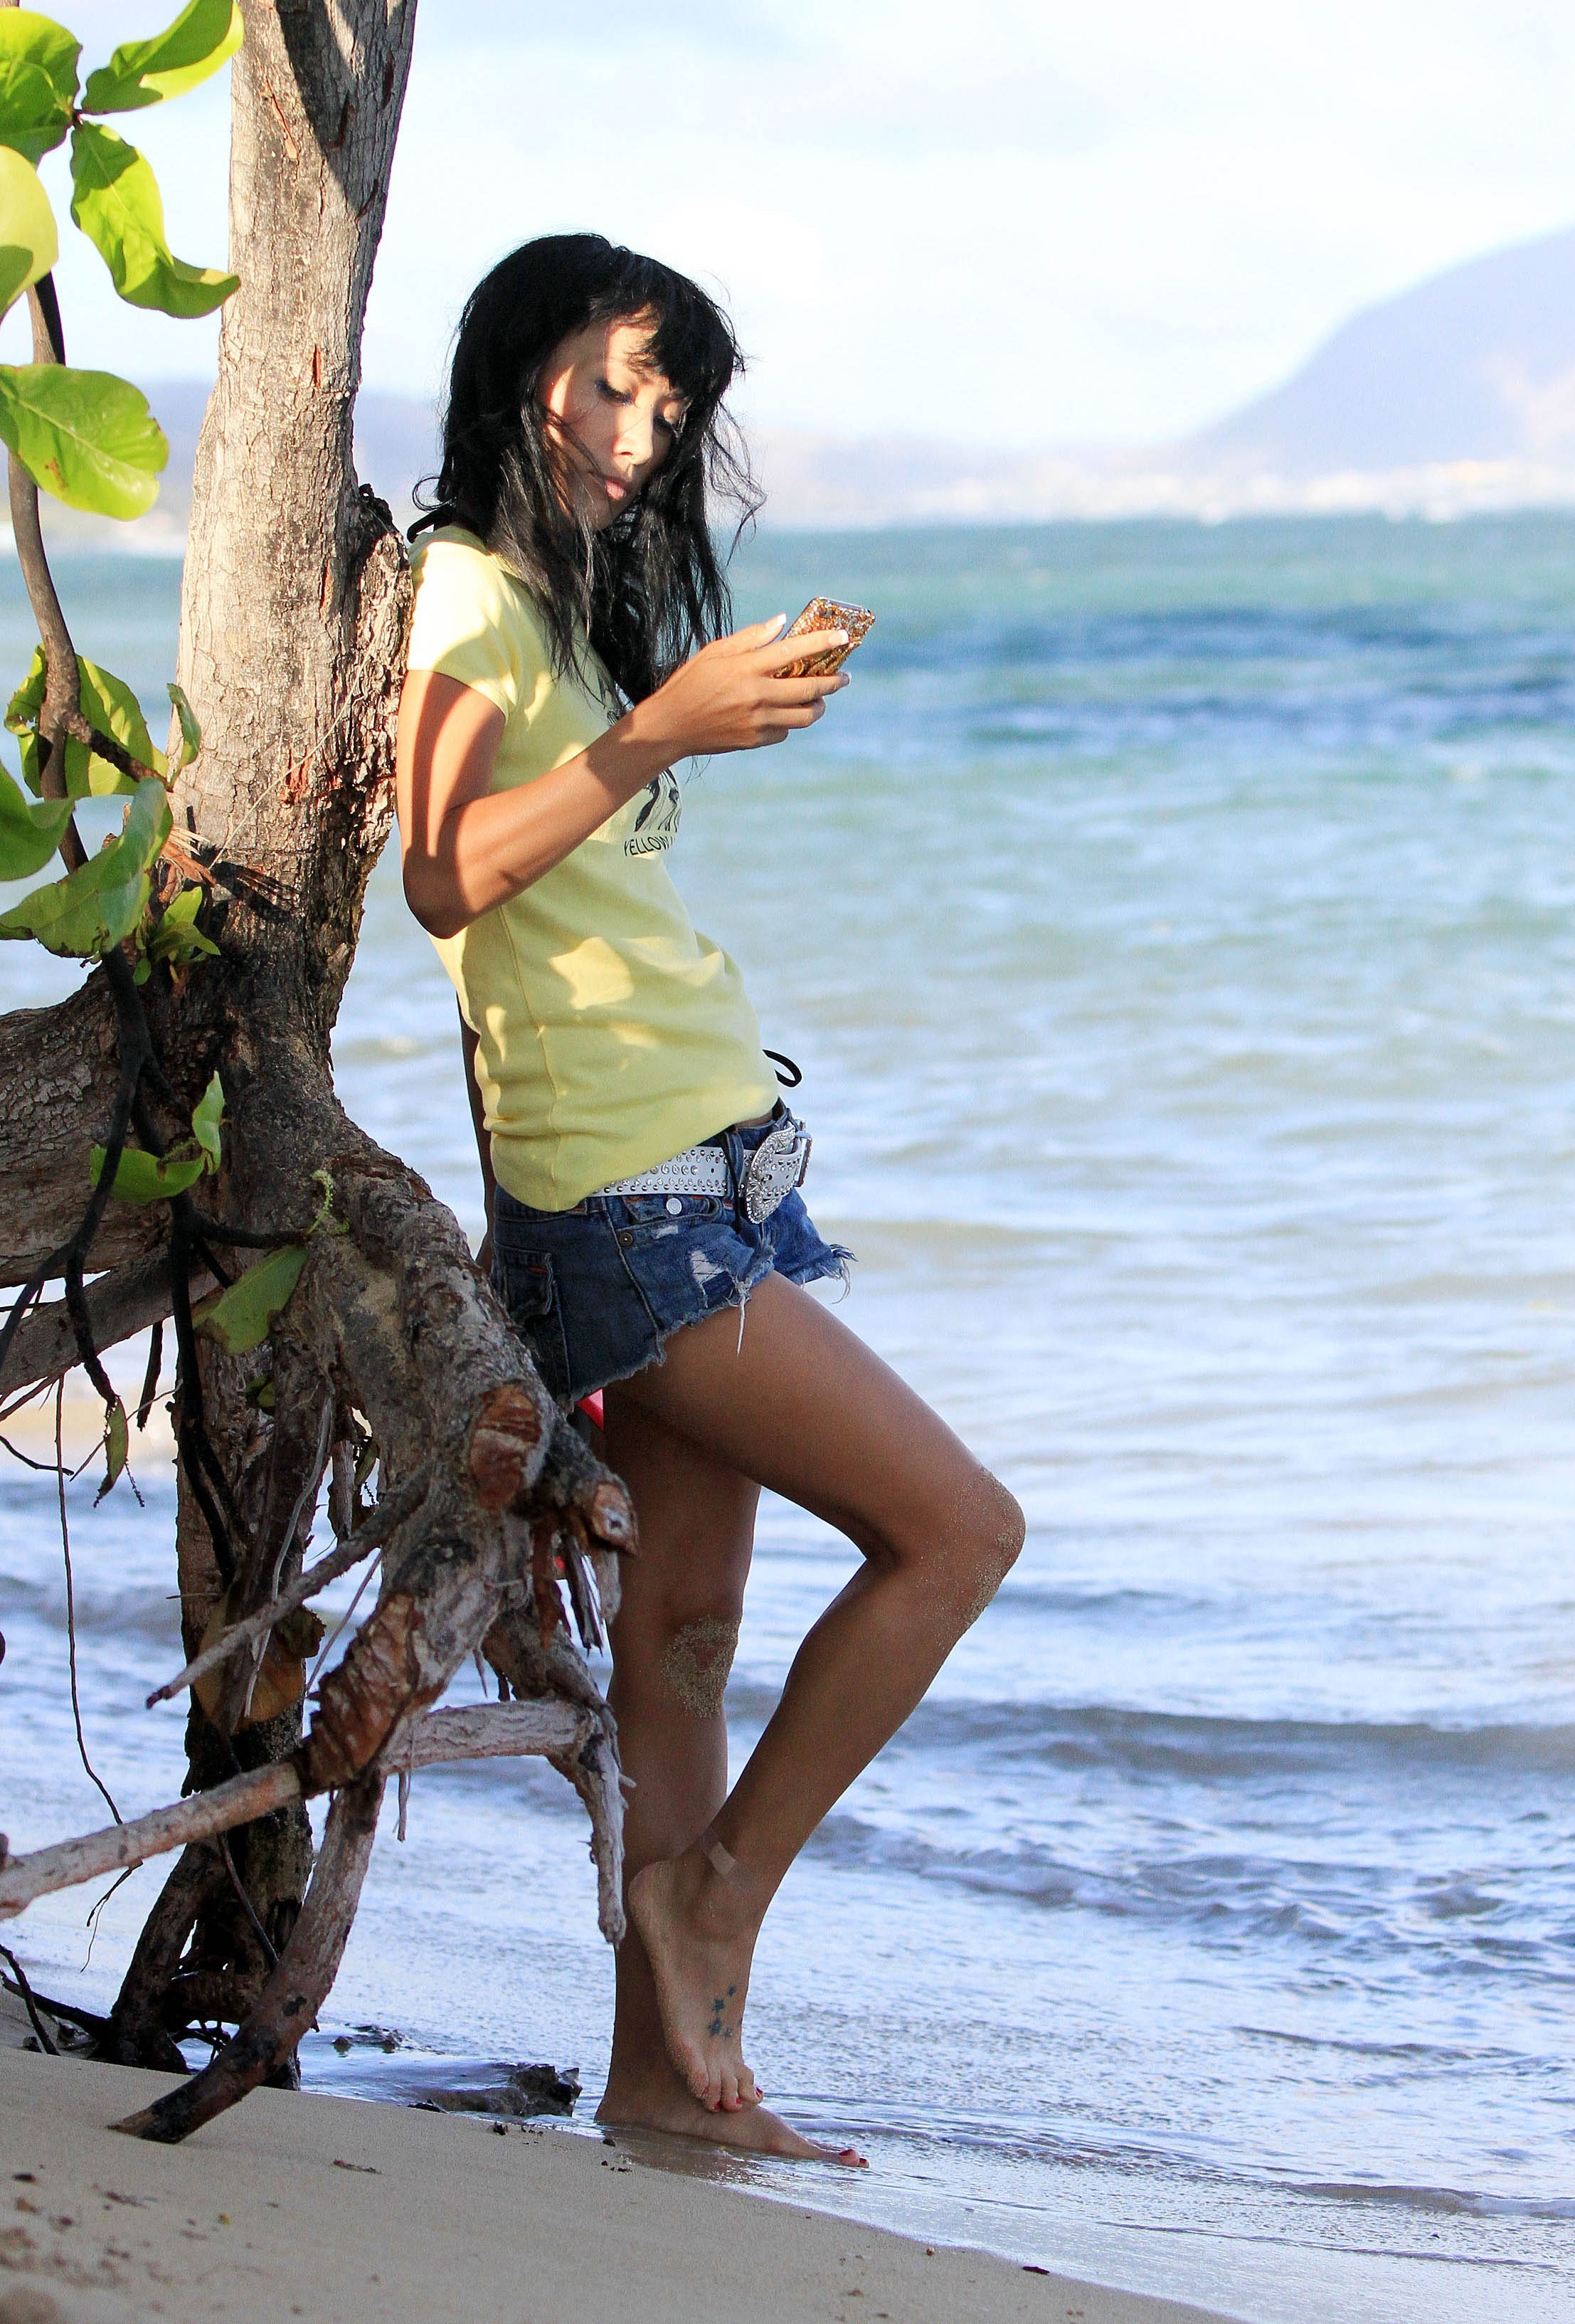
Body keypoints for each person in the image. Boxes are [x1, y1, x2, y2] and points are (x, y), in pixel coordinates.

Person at [396, 234, 1024, 2162]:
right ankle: (715, 1898)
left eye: (670, 408)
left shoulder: (559, 612)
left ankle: (663, 2092)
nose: (642, 433)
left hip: (708, 1171)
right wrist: (656, 733)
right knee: (958, 1533)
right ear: (525, 373)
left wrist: (667, 712)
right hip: (623, 1198)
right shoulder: (467, 591)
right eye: (614, 384)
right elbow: (440, 870)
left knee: (684, 1630)